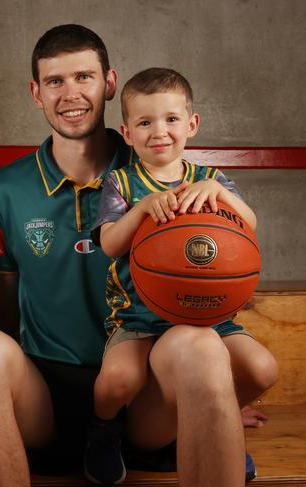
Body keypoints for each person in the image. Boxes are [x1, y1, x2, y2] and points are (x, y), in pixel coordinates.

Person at [0, 24, 275, 487]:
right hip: (45, 392)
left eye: (84, 77)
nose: (71, 93)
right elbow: (5, 299)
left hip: (143, 393)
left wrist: (214, 392)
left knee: (201, 347)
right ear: (36, 92)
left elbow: (215, 265)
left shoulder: (158, 167)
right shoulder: (6, 187)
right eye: (55, 81)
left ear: (109, 82)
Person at [85, 67, 278, 485]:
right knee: (117, 380)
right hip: (138, 318)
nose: (160, 131)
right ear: (127, 131)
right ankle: (102, 434)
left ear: (191, 124)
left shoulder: (211, 181)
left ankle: (221, 417)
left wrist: (223, 196)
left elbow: (250, 224)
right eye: (144, 122)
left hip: (207, 313)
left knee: (263, 369)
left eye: (171, 119)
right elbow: (111, 243)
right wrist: (142, 209)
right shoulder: (120, 183)